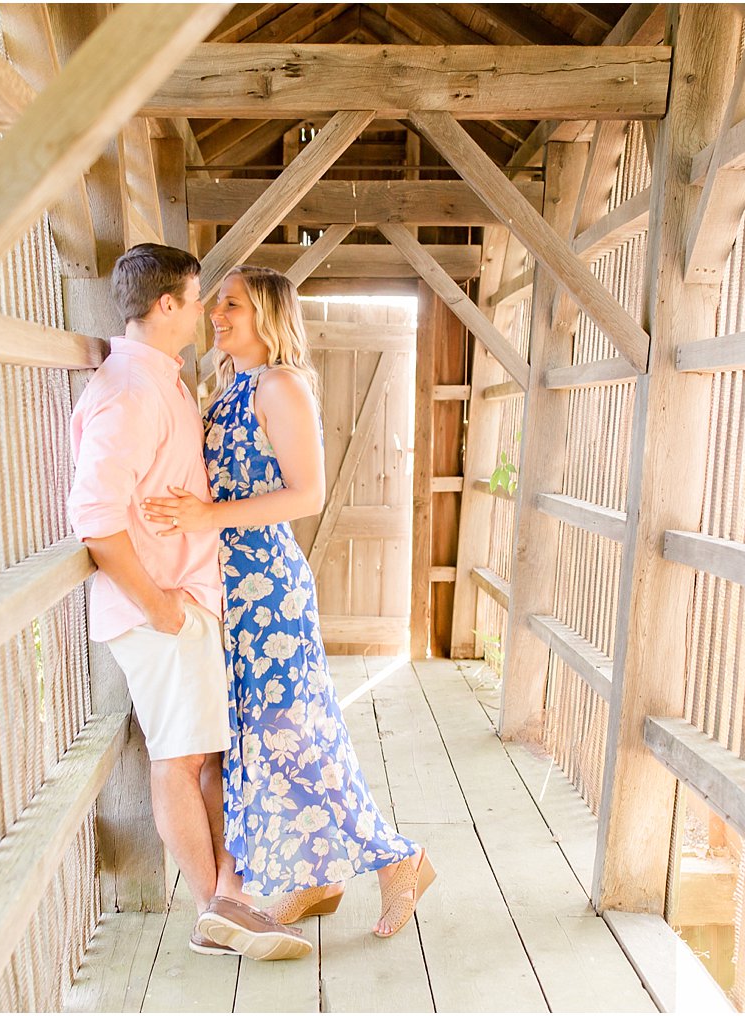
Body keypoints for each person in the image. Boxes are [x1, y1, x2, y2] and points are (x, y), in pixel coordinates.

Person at [142, 265, 436, 940]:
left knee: (300, 739)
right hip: (233, 596)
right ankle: (314, 878)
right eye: (217, 305)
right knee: (264, 746)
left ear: (268, 314)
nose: (218, 315)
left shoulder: (280, 385)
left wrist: (208, 515)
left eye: (233, 306)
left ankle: (400, 860)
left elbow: (308, 495)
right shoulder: (230, 385)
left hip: (270, 594)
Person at [67, 244, 310, 962]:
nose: (208, 312)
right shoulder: (133, 393)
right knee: (179, 760)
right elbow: (93, 514)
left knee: (205, 757)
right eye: (202, 298)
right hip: (163, 608)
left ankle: (227, 902)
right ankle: (217, 913)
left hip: (184, 600)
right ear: (169, 305)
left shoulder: (161, 380)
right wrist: (158, 605)